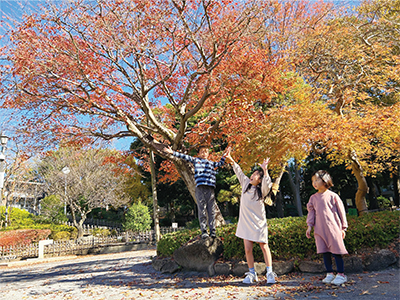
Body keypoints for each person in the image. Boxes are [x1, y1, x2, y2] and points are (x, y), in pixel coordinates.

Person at [224, 150, 277, 284]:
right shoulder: (245, 185)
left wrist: (265, 171)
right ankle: (252, 273)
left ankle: (270, 273)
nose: (252, 176)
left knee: (264, 246)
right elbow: (239, 172)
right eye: (252, 174)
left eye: (255, 175)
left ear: (259, 181)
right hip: (246, 223)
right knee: (248, 249)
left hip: (259, 224)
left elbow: (267, 184)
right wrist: (231, 159)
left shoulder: (262, 191)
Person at [164, 145, 230, 239]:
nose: (204, 153)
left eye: (206, 151)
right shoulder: (196, 160)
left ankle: (213, 230)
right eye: (202, 151)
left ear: (208, 153)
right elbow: (184, 157)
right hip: (200, 188)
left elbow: (220, 163)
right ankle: (204, 231)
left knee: (211, 210)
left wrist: (224, 155)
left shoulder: (211, 163)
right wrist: (172, 153)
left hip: (210, 188)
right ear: (198, 153)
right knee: (202, 209)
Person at [306, 170, 348, 286]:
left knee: (336, 251)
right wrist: (309, 226)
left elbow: (341, 212)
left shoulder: (333, 196)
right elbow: (311, 213)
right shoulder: (313, 198)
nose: (314, 183)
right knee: (324, 251)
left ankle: (341, 274)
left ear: (325, 180)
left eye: (316, 180)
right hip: (319, 229)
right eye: (312, 181)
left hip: (333, 228)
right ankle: (329, 273)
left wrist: (343, 228)